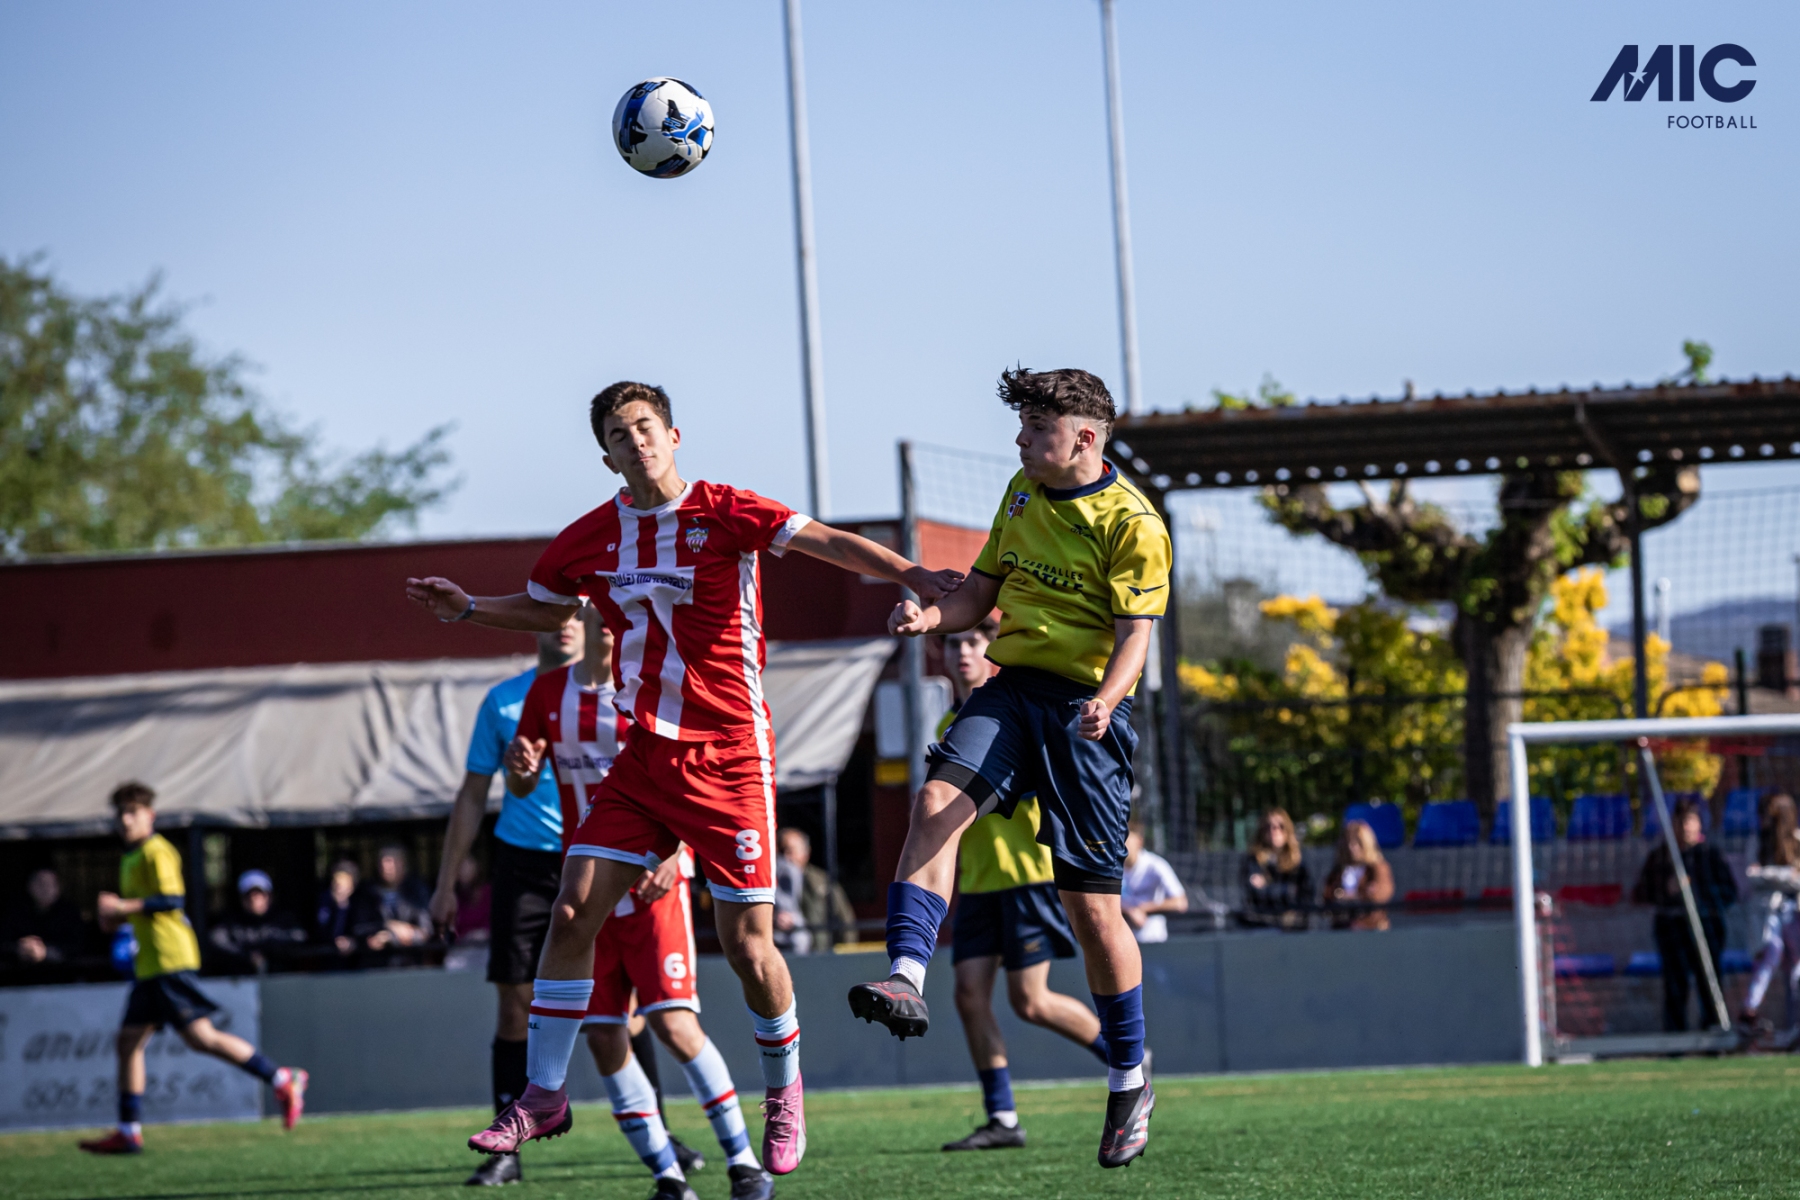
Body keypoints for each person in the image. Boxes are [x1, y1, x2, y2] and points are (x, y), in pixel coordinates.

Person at [405, 380, 958, 1178]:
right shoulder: (590, 538)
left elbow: (828, 542)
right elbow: (547, 608)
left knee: (748, 946)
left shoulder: (726, 510)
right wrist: (468, 609)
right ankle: (544, 1093)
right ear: (607, 457)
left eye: (645, 427)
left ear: (672, 435)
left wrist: (912, 574)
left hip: (731, 757)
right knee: (572, 908)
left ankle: (783, 1089)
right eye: (618, 435)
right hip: (643, 759)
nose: (635, 441)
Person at [848, 367, 1171, 1169]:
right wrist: (931, 614)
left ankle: (1130, 1077)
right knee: (935, 801)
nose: (1020, 442)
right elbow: (979, 595)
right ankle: (905, 975)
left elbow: (1136, 635)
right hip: (1013, 689)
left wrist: (1107, 700)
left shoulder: (1134, 523)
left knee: (1093, 912)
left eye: (1036, 430)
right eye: (1021, 427)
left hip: (1085, 710)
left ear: (1085, 438)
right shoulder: (1021, 493)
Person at [504, 603, 737, 1200]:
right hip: (589, 893)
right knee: (606, 1037)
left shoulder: (654, 684)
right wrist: (520, 768)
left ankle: (744, 1163)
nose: (609, 618)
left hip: (655, 884)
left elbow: (691, 775)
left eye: (617, 607)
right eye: (597, 607)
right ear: (582, 619)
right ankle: (668, 1178)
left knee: (674, 1025)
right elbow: (523, 782)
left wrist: (680, 851)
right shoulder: (547, 692)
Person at [930, 617, 1115, 1153]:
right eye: (954, 642)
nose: (963, 651)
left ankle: (1126, 1057)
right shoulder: (949, 722)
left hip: (1026, 876)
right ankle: (1003, 1118)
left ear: (994, 647)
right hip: (977, 882)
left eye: (973, 640)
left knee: (1030, 1001)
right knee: (969, 995)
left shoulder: (1015, 712)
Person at [429, 615, 584, 1186]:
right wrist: (446, 884)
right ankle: (507, 1150)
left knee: (624, 1010)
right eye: (554, 613)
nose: (566, 624)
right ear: (533, 623)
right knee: (515, 1002)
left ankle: (658, 1137)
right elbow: (473, 794)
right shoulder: (502, 701)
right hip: (521, 863)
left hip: (596, 856)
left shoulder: (616, 690)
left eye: (578, 613)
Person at [77, 783, 307, 1154]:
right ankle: (129, 1130)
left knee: (200, 1038)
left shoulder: (158, 850)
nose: (125, 820)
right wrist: (115, 918)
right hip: (149, 964)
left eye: (132, 813)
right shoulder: (130, 858)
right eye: (120, 814)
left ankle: (282, 1077)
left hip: (169, 960)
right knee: (133, 1042)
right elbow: (142, 910)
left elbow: (171, 899)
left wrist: (122, 907)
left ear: (149, 816)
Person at [1634, 798, 1739, 1031]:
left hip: (1706, 925)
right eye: (1680, 822)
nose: (1685, 827)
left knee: (1709, 982)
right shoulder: (1661, 857)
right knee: (1675, 984)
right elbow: (1641, 893)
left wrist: (1699, 895)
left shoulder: (1710, 855)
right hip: (1672, 927)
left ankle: (1713, 1033)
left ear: (1699, 824)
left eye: (1690, 821)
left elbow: (1729, 892)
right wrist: (1667, 889)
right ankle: (1675, 1036)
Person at [1744, 793, 1800, 1043]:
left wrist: (1768, 874)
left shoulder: (1797, 840)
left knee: (1796, 970)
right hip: (1767, 913)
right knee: (1770, 954)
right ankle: (1749, 1010)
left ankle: (1795, 1025)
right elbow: (1751, 874)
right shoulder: (1759, 842)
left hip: (1794, 912)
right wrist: (1786, 874)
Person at [207, 870, 306, 975]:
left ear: (269, 897)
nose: (254, 900)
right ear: (242, 899)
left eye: (259, 895)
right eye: (249, 896)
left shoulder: (283, 920)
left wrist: (267, 950)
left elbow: (298, 938)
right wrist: (247, 956)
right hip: (240, 981)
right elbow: (217, 941)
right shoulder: (231, 923)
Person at [776, 829, 856, 953]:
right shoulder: (771, 883)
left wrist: (847, 954)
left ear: (805, 853)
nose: (786, 857)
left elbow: (845, 920)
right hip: (786, 954)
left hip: (820, 953)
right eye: (781, 852)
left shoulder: (822, 882)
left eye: (790, 851)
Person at [2, 867, 94, 969]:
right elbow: (5, 942)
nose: (45, 889)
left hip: (61, 973)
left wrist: (46, 952)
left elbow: (78, 947)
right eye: (40, 883)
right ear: (29, 886)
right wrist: (19, 949)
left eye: (51, 884)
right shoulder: (16, 911)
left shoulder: (70, 912)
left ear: (59, 888)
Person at [1240, 809, 1313, 930]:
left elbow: (1306, 897)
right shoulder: (1252, 861)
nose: (1274, 831)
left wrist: (1267, 883)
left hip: (1293, 928)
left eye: (1280, 826)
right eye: (1268, 827)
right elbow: (1253, 896)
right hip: (1261, 927)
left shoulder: (1299, 863)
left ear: (1287, 830)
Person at [1120, 819, 1187, 944]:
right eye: (1119, 840)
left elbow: (1180, 902)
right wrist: (1130, 910)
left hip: (1153, 941)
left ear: (1139, 841)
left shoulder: (1156, 865)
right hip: (1123, 943)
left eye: (1126, 840)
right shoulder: (1113, 868)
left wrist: (1144, 908)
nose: (1122, 845)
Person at [1324, 820, 1394, 931]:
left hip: (1371, 929)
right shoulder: (1338, 871)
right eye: (1348, 843)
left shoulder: (1378, 868)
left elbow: (1379, 896)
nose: (1352, 847)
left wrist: (1349, 896)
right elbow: (1328, 896)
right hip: (1342, 928)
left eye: (1357, 843)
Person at [367, 844, 432, 955]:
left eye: (391, 861)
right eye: (382, 861)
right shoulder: (369, 893)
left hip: (411, 959)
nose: (385, 866)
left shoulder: (417, 891)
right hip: (378, 960)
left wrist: (392, 936)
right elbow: (361, 928)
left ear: (403, 864)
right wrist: (389, 926)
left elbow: (425, 932)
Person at [314, 860, 382, 963]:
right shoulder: (323, 902)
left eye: (344, 883)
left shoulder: (362, 903)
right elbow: (319, 932)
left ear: (353, 885)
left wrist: (354, 942)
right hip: (326, 963)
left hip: (357, 965)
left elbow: (368, 930)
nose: (339, 888)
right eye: (336, 883)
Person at [453, 857, 492, 945]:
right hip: (463, 946)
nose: (462, 871)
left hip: (487, 944)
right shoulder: (456, 899)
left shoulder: (490, 892)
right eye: (459, 868)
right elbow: (456, 932)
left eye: (465, 866)